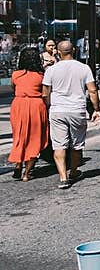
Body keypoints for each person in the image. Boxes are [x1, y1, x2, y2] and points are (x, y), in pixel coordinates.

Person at [42, 39, 100, 190]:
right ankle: (74, 171)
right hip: (77, 110)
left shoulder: (51, 70)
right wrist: (96, 109)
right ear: (73, 50)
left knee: (59, 145)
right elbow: (92, 90)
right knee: (76, 144)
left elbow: (45, 93)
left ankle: (63, 177)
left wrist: (49, 105)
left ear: (58, 52)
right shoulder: (84, 68)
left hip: (57, 110)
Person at [9, 46, 49, 181]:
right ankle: (27, 173)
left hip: (19, 105)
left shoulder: (16, 75)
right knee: (34, 138)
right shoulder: (41, 76)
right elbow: (45, 94)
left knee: (20, 136)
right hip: (36, 105)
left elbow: (13, 88)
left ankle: (18, 164)